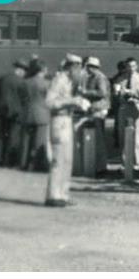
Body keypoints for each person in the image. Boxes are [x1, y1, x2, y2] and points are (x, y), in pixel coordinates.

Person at [45, 54, 91, 207]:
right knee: (58, 159)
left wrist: (77, 103)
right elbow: (49, 102)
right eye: (78, 67)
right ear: (71, 67)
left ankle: (63, 194)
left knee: (68, 160)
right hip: (59, 121)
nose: (79, 71)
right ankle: (53, 195)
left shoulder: (71, 81)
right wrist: (72, 101)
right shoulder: (59, 80)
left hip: (67, 120)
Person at [116, 57, 139, 176]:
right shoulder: (121, 79)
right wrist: (118, 92)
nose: (131, 69)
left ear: (137, 66)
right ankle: (125, 163)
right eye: (129, 66)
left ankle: (137, 164)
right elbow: (116, 93)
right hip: (124, 107)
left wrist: (135, 93)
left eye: (133, 66)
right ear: (125, 67)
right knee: (123, 135)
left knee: (138, 136)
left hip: (137, 105)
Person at [79, 56, 112, 171]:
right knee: (96, 137)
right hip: (96, 108)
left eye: (87, 66)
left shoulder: (100, 78)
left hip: (99, 108)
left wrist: (86, 92)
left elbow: (102, 93)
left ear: (92, 67)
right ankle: (98, 165)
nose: (86, 69)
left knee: (99, 138)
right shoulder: (94, 77)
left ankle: (101, 166)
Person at [0, 58, 29, 167]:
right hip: (16, 113)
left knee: (2, 135)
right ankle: (9, 161)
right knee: (13, 137)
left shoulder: (4, 79)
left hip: (2, 111)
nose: (24, 74)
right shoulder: (21, 82)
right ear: (21, 70)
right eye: (24, 71)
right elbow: (25, 99)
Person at [20, 59, 52, 171]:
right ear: (42, 70)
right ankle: (38, 165)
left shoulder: (25, 82)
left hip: (27, 113)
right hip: (42, 115)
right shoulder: (47, 84)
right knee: (39, 142)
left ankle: (23, 164)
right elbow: (49, 99)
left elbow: (22, 98)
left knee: (25, 141)